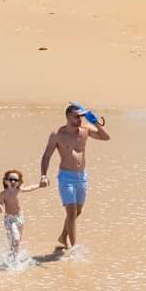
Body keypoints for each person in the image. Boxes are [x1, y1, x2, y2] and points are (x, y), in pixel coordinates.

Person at [35, 104, 110, 253]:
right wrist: (43, 175)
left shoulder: (85, 131)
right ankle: (74, 247)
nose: (80, 119)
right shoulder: (57, 134)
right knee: (71, 211)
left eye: (82, 116)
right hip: (66, 177)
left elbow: (106, 137)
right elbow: (47, 155)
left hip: (81, 177)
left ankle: (63, 236)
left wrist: (94, 121)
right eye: (77, 116)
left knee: (78, 211)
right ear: (68, 116)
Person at [0, 170, 38, 261]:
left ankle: (13, 258)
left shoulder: (19, 190)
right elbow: (0, 205)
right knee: (16, 239)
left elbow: (30, 188)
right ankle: (14, 260)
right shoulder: (3, 193)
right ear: (6, 181)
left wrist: (40, 185)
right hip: (9, 219)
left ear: (19, 182)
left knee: (16, 241)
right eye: (10, 179)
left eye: (16, 180)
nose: (13, 181)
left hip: (20, 218)